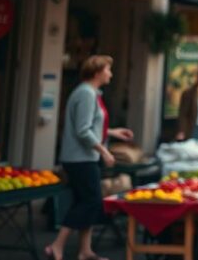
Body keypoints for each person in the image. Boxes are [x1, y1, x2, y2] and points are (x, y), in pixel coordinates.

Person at [47, 55, 134, 260]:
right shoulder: (86, 94)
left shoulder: (91, 93)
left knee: (84, 201)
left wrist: (112, 132)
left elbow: (91, 125)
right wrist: (104, 151)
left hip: (83, 157)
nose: (110, 74)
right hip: (80, 158)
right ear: (97, 73)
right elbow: (83, 130)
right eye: (108, 70)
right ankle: (57, 245)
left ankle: (85, 251)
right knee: (92, 202)